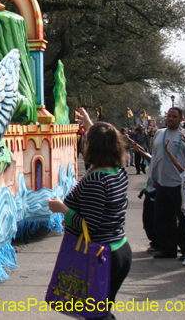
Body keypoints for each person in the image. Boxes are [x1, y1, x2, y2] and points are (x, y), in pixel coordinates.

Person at [48, 108, 131, 319]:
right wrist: (89, 124)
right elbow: (104, 138)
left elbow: (89, 225)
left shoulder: (96, 180)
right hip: (118, 249)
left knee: (96, 315)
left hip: (101, 256)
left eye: (86, 140)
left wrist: (62, 209)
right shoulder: (117, 169)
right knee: (100, 311)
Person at [148, 107, 185, 259]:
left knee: (182, 219)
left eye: (175, 117)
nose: (171, 119)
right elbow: (155, 158)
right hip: (162, 183)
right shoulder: (159, 134)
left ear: (181, 119)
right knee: (162, 218)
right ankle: (168, 249)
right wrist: (153, 178)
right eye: (169, 116)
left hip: (180, 185)